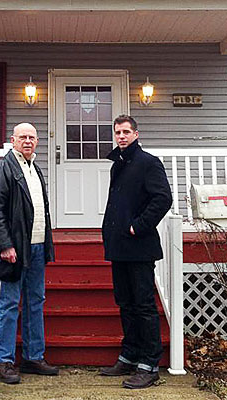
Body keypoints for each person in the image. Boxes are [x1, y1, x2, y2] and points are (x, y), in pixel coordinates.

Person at [100, 115, 172, 389]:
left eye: (126, 132)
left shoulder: (148, 163)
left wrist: (138, 226)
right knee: (126, 303)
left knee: (143, 305)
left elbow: (163, 198)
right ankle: (129, 355)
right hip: (118, 247)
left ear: (136, 134)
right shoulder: (118, 164)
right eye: (117, 132)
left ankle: (149, 364)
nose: (121, 136)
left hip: (139, 246)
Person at [0, 122, 59, 384]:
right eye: (22, 137)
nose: (27, 141)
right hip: (15, 249)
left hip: (38, 246)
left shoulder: (35, 168)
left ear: (37, 141)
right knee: (9, 304)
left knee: (35, 302)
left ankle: (33, 357)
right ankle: (4, 361)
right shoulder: (3, 168)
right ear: (13, 140)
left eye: (32, 137)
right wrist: (5, 245)